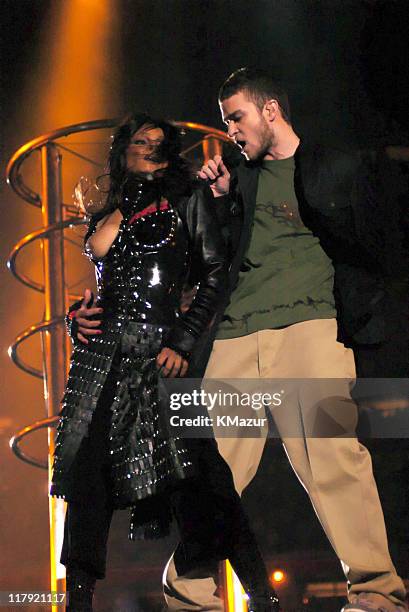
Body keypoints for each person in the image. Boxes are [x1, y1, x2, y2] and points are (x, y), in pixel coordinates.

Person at [164, 68, 407, 612]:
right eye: (226, 121)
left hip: (312, 328)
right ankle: (187, 597)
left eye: (237, 117)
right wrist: (218, 198)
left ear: (270, 110)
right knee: (211, 472)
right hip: (234, 335)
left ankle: (376, 593)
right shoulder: (232, 179)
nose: (230, 131)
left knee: (331, 459)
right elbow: (204, 257)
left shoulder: (333, 165)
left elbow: (378, 237)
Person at [51, 113, 280, 612]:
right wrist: (76, 317)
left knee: (202, 474)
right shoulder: (106, 211)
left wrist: (183, 339)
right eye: (139, 141)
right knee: (87, 477)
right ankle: (78, 600)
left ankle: (262, 595)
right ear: (122, 149)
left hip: (162, 355)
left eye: (158, 143)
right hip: (101, 359)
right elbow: (104, 291)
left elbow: (217, 273)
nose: (149, 149)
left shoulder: (184, 200)